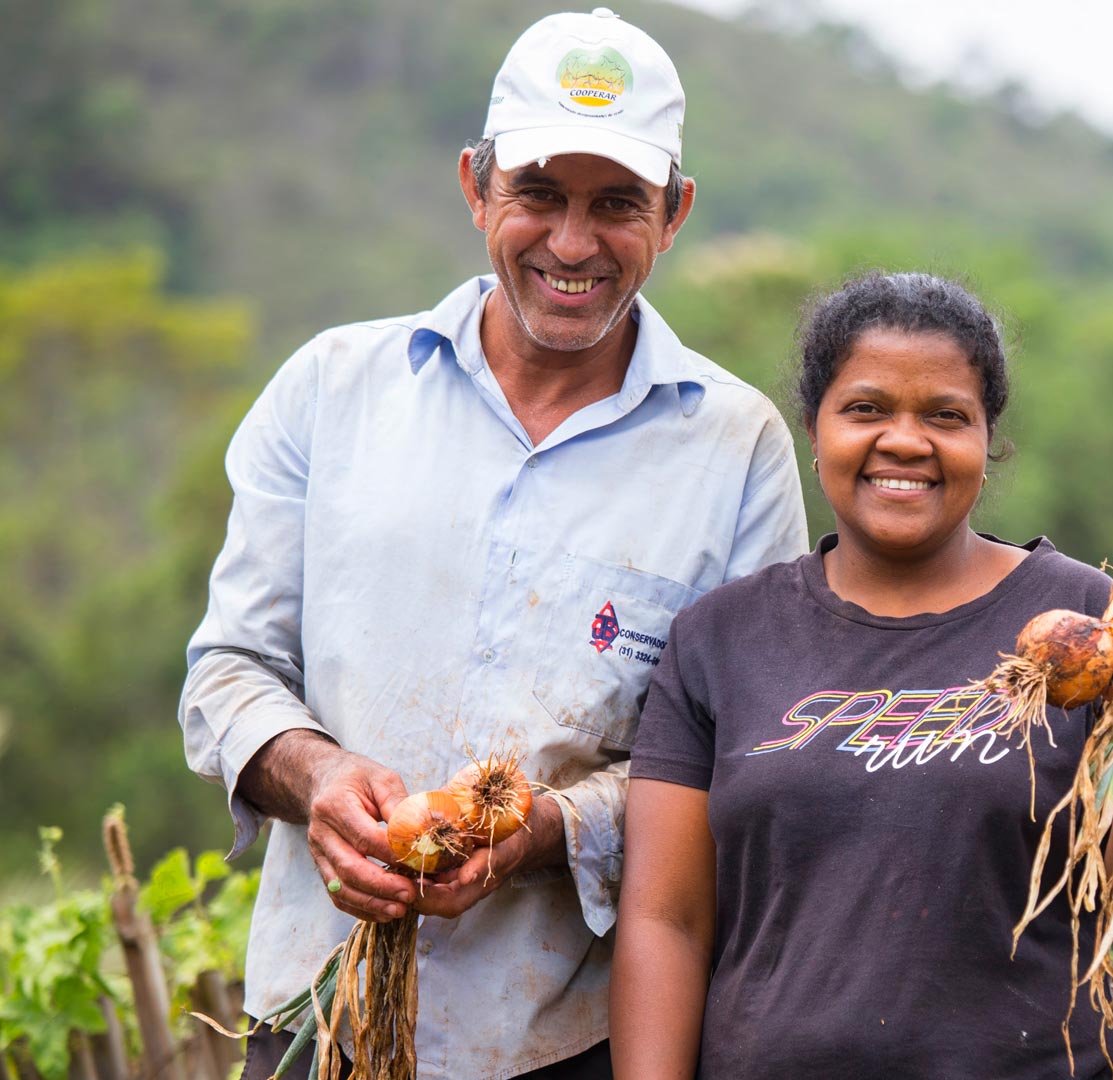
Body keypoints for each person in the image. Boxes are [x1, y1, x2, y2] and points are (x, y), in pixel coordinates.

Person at [177, 10, 808, 1079]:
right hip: (313, 1019)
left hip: (568, 1043)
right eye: (538, 195)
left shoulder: (735, 446)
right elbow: (228, 671)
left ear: (677, 213)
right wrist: (320, 778)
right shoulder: (334, 389)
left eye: (617, 205)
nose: (573, 243)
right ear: (476, 187)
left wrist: (547, 830)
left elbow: (738, 762)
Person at [611, 272, 1113, 1078]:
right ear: (814, 429)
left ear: (988, 438)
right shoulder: (722, 638)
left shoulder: (1088, 620)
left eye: (946, 415)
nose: (905, 441)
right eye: (866, 409)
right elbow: (667, 920)